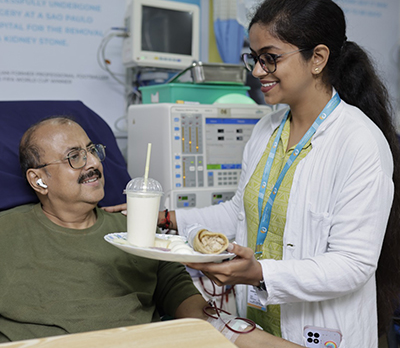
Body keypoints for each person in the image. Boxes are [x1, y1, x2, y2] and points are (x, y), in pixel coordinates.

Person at [105, 0, 400, 347]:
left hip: (321, 331)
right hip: (258, 323)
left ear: (318, 58)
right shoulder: (268, 129)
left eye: (270, 58)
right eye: (255, 57)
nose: (258, 70)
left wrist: (258, 272)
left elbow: (352, 265)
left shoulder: (359, 142)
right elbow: (239, 213)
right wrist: (167, 220)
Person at [0, 115, 306, 348]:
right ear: (39, 180)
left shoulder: (139, 235)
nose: (93, 163)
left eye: (92, 151)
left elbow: (205, 317)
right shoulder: (7, 233)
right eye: (74, 157)